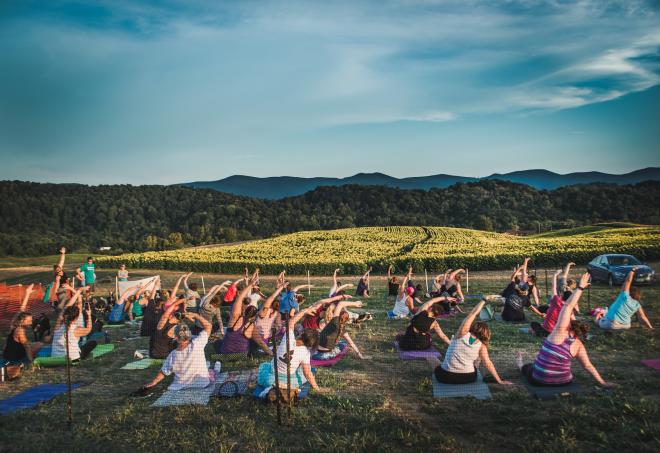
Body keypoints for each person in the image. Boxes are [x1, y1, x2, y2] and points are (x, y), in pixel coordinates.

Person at [518, 272, 616, 388]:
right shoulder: (579, 345)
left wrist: (580, 287)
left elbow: (568, 307)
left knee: (529, 367)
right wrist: (602, 382)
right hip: (564, 382)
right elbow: (588, 366)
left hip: (539, 380)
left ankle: (520, 364)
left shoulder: (559, 332)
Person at [427, 300, 512, 385]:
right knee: (479, 357)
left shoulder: (461, 334)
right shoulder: (482, 346)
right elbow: (488, 363)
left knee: (430, 356)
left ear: (472, 327)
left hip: (446, 377)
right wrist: (499, 381)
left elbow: (472, 314)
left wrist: (484, 300)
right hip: (468, 378)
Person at [257, 302, 323, 393]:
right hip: (288, 380)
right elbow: (307, 373)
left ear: (301, 334)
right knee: (306, 371)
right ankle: (283, 386)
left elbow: (291, 322)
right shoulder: (306, 353)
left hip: (269, 378)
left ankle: (275, 385)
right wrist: (317, 388)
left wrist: (304, 311)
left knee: (265, 365)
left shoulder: (288, 339)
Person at [142, 312, 213, 392]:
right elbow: (208, 326)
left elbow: (164, 372)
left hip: (179, 386)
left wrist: (153, 383)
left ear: (175, 337)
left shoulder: (172, 355)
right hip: (202, 384)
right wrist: (196, 316)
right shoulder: (198, 343)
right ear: (189, 334)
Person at [214, 279, 272, 356]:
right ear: (255, 315)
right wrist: (271, 353)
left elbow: (239, 298)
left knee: (217, 343)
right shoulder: (252, 326)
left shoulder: (234, 318)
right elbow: (261, 343)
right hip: (242, 354)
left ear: (245, 310)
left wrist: (250, 285)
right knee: (254, 342)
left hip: (226, 353)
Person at [51, 287, 96, 361]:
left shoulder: (58, 325)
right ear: (76, 317)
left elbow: (67, 306)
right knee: (93, 343)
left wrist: (78, 291)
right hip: (72, 358)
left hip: (55, 357)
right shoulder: (76, 329)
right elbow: (89, 329)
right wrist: (89, 316)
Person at [2, 284, 43, 364]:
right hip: (15, 359)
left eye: (31, 320)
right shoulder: (20, 330)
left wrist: (27, 294)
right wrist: (31, 362)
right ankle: (26, 360)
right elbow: (27, 347)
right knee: (37, 345)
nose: (30, 323)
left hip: (7, 355)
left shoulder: (14, 325)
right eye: (28, 321)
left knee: (38, 344)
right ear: (22, 321)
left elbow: (21, 310)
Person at [530, 267, 576, 337]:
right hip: (557, 333)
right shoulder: (569, 309)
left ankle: (537, 332)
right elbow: (574, 321)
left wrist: (554, 275)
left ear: (563, 296)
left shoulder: (556, 300)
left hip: (547, 330)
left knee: (533, 324)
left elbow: (553, 287)